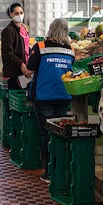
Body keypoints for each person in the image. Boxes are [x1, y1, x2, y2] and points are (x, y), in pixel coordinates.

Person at [26, 18, 74, 182]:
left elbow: (29, 69)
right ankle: (61, 170)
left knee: (47, 134)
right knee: (60, 133)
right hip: (63, 96)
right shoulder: (70, 49)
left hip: (43, 96)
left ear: (50, 30)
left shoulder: (40, 47)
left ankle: (49, 172)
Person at [1, 3, 32, 90]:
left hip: (24, 70)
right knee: (15, 95)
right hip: (14, 72)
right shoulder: (8, 31)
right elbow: (8, 53)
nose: (19, 15)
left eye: (21, 13)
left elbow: (25, 47)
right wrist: (21, 65)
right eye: (16, 13)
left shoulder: (23, 29)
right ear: (10, 14)